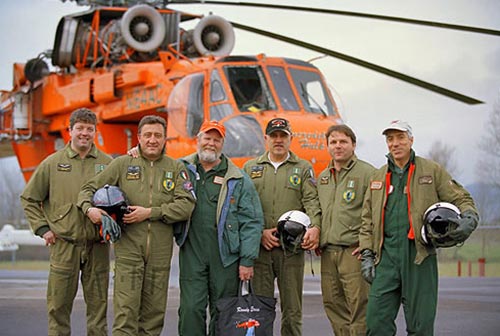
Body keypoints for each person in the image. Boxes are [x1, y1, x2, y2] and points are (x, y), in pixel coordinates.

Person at [77, 115, 196, 336]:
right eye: (148, 135)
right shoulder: (122, 164)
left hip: (160, 253)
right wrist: (89, 209)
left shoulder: (176, 168)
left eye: (158, 135)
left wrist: (150, 213)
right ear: (139, 137)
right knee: (125, 314)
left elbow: (187, 204)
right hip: (128, 251)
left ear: (165, 139)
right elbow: (88, 190)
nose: (153, 140)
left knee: (153, 317)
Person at [359, 120, 479, 336]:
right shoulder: (377, 177)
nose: (395, 143)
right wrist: (367, 253)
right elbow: (367, 220)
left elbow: (462, 198)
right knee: (376, 323)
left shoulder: (431, 170)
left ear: (411, 140)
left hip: (419, 257)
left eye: (400, 137)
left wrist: (469, 219)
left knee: (421, 326)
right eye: (390, 139)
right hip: (385, 258)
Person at [20, 108, 112, 336]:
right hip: (64, 245)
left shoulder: (108, 163)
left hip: (97, 246)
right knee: (58, 307)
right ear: (69, 131)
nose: (84, 133)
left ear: (95, 132)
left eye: (89, 129)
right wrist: (43, 229)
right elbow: (29, 198)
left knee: (98, 310)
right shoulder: (52, 164)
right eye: (79, 128)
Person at [177, 120, 264, 336]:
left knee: (223, 311)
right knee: (190, 309)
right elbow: (155, 166)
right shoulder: (181, 169)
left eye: (217, 140)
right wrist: (135, 151)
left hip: (226, 257)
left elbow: (252, 220)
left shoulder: (237, 177)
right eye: (207, 138)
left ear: (222, 144)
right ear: (198, 140)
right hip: (192, 253)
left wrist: (247, 260)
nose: (211, 144)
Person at [243, 117, 321, 336]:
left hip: (291, 251)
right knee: (260, 310)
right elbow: (242, 207)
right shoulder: (250, 167)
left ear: (290, 139)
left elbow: (312, 202)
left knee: (293, 310)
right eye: (274, 136)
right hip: (260, 250)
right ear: (266, 138)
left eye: (283, 136)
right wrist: (259, 234)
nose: (278, 140)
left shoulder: (303, 168)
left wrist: (315, 227)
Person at [317, 124, 375, 336]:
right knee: (333, 305)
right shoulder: (323, 177)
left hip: (353, 252)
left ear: (353, 144)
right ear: (327, 146)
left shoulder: (368, 173)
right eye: (333, 142)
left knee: (359, 306)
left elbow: (377, 213)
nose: (338, 146)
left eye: (343, 141)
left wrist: (368, 244)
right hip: (327, 252)